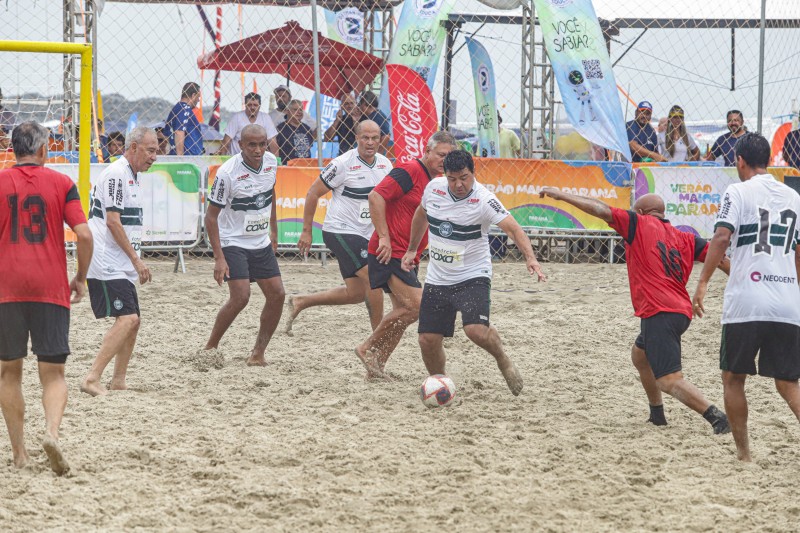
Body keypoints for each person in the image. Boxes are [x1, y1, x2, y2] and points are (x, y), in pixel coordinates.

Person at [539, 187, 731, 435]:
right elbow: (721, 259)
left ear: (640, 211)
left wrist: (562, 195)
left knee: (669, 380)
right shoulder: (686, 238)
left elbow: (600, 209)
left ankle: (717, 418)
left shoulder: (637, 223)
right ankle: (657, 415)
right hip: (679, 311)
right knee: (640, 356)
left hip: (659, 311)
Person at [693, 132, 800, 462]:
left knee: (733, 378)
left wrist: (702, 282)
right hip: (787, 301)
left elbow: (721, 237)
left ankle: (744, 454)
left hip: (746, 301)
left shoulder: (737, 191)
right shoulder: (794, 196)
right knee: (788, 383)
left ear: (739, 160)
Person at [401, 150, 546, 395]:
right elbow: (421, 215)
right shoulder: (434, 189)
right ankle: (440, 383)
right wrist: (412, 249)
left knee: (475, 331)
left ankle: (502, 359)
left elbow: (514, 229)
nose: (458, 184)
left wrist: (531, 259)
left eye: (464, 178)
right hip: (438, 277)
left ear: (473, 173)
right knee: (427, 340)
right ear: (445, 175)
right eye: (452, 179)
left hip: (473, 275)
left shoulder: (484, 199)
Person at [0, 121, 93, 475]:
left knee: (9, 372)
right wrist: (80, 278)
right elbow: (84, 235)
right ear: (43, 150)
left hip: (6, 287)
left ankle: (20, 454)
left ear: (13, 149)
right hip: (50, 288)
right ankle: (51, 433)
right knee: (53, 374)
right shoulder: (62, 183)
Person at [354, 131, 458, 380]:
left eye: (449, 156)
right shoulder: (411, 170)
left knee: (403, 313)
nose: (445, 160)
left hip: (408, 255)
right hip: (390, 252)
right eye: (441, 155)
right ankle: (367, 347)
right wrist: (384, 237)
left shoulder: (436, 181)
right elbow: (375, 196)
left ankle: (376, 369)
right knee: (417, 307)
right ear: (427, 151)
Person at [287, 121, 391, 335]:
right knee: (374, 278)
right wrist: (306, 231)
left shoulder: (385, 164)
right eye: (365, 138)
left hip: (366, 234)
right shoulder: (342, 164)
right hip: (340, 230)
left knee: (355, 293)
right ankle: (378, 338)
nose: (370, 142)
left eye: (374, 138)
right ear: (357, 138)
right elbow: (313, 193)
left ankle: (301, 301)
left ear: (380, 140)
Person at [81, 126, 157, 397]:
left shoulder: (132, 175)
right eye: (150, 150)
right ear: (133, 147)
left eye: (157, 151)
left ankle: (119, 380)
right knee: (127, 319)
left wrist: (134, 257)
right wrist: (136, 260)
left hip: (119, 259)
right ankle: (92, 378)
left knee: (134, 321)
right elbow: (112, 222)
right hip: (105, 259)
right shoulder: (116, 173)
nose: (155, 157)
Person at [203, 124, 285, 366]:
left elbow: (271, 194)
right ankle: (210, 347)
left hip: (260, 241)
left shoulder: (271, 162)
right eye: (252, 145)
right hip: (233, 241)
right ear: (240, 145)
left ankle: (258, 353)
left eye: (262, 144)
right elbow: (210, 217)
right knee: (241, 297)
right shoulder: (227, 173)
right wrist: (219, 258)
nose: (258, 150)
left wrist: (274, 230)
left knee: (278, 295)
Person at [215, 92, 279, 157]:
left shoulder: (266, 118)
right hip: (238, 158)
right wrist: (222, 159)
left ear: (259, 106)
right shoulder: (237, 117)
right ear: (245, 105)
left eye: (255, 105)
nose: (252, 107)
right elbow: (226, 142)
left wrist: (276, 161)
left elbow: (273, 144)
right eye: (249, 105)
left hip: (258, 159)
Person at [166, 82, 204, 156]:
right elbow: (179, 131)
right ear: (193, 95)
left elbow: (166, 133)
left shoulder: (176, 109)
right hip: (188, 158)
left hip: (181, 155)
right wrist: (180, 158)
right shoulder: (185, 109)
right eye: (198, 97)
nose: (198, 100)